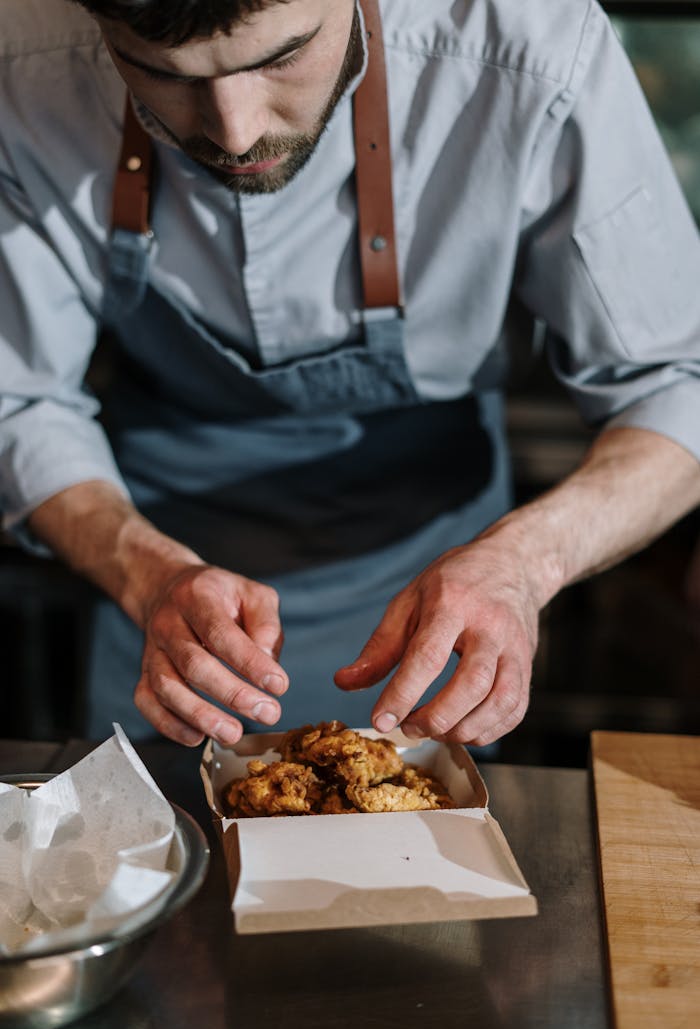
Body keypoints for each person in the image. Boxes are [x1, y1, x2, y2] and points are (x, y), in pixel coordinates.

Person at [1, 0, 699, 749]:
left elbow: (676, 384)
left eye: (282, 57)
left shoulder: (531, 47)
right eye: (158, 75)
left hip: (438, 580)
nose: (236, 132)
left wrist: (524, 564)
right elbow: (20, 399)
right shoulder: (24, 58)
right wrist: (146, 573)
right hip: (156, 575)